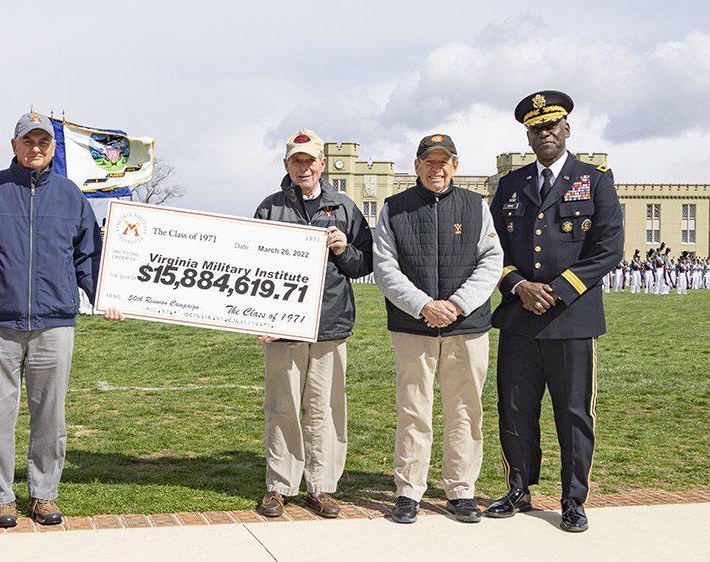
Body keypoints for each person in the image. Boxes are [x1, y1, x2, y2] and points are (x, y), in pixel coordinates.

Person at [0, 111, 121, 529]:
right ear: (14, 145)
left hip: (54, 322)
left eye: (43, 142)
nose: (35, 148)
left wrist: (104, 296)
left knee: (50, 416)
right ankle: (1, 497)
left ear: (52, 148)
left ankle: (43, 493)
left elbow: (87, 255)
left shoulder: (71, 195)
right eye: (28, 141)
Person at [488, 91, 623, 532]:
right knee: (515, 409)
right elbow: (494, 249)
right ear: (527, 136)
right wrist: (518, 284)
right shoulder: (510, 185)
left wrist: (560, 290)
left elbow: (607, 250)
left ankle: (573, 500)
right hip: (520, 317)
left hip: (572, 319)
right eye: (536, 128)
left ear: (567, 129)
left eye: (552, 125)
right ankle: (518, 489)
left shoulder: (596, 179)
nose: (545, 133)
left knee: (573, 412)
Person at [372, 134, 502, 524]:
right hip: (414, 326)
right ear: (417, 166)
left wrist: (458, 304)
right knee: (414, 409)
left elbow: (491, 260)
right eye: (429, 161)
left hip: (468, 326)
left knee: (465, 409)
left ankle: (461, 490)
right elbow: (385, 267)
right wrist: (422, 305)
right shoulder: (394, 208)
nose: (437, 168)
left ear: (455, 166)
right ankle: (409, 490)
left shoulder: (475, 206)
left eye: (444, 161)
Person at [252, 128, 373, 518]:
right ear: (286, 164)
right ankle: (280, 485)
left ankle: (321, 486)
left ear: (322, 164)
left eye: (310, 161)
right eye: (296, 160)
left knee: (325, 407)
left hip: (329, 323)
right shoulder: (270, 208)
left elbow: (364, 263)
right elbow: (251, 268)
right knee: (282, 405)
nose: (304, 167)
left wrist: (344, 248)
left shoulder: (345, 207)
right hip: (282, 328)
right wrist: (258, 316)